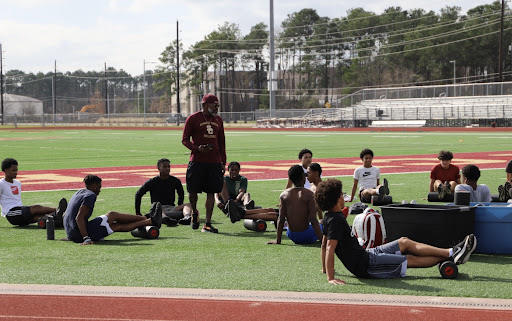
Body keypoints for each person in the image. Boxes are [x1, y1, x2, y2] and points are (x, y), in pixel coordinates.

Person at [315, 178, 477, 285]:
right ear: (337, 199)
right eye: (341, 195)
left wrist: (323, 269)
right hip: (366, 266)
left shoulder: (332, 216)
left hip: (367, 254)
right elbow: (329, 247)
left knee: (404, 241)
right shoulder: (335, 220)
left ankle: (451, 252)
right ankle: (452, 253)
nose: (344, 196)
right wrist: (330, 277)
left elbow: (323, 245)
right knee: (408, 259)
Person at [64, 174, 162, 245]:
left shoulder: (79, 192)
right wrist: (86, 238)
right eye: (99, 187)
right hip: (79, 234)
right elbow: (79, 218)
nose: (99, 190)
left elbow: (68, 215)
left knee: (112, 218)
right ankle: (150, 220)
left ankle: (147, 218)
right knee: (115, 224)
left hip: (72, 232)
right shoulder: (91, 195)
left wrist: (70, 235)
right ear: (94, 186)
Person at [182, 94, 226, 233]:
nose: (217, 108)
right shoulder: (193, 118)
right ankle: (194, 211)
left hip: (214, 162)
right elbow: (185, 140)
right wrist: (197, 148)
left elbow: (222, 143)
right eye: (215, 105)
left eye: (218, 105)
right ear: (206, 104)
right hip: (197, 161)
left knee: (211, 192)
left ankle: (207, 223)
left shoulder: (218, 120)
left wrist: (223, 161)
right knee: (193, 191)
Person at [0, 158, 67, 226]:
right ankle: (59, 210)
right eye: (13, 170)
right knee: (36, 208)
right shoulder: (1, 184)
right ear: (5, 170)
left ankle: (56, 217)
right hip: (11, 213)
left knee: (40, 217)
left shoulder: (18, 183)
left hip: (21, 212)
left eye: (16, 170)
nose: (15, 172)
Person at [268, 165, 322, 245]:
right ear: (303, 177)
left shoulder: (283, 195)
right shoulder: (309, 195)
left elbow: (281, 218)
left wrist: (278, 240)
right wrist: (322, 241)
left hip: (291, 235)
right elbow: (313, 219)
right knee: (324, 222)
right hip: (306, 235)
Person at [135, 158, 193, 226]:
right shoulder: (152, 182)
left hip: (172, 208)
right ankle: (165, 218)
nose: (167, 168)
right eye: (164, 167)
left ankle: (187, 217)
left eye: (169, 166)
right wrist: (138, 212)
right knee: (158, 208)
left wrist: (180, 205)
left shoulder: (175, 181)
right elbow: (138, 194)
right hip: (158, 208)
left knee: (189, 205)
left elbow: (181, 193)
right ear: (159, 168)